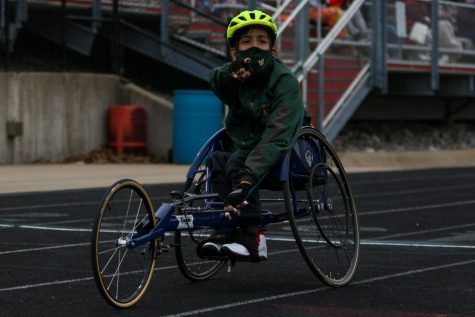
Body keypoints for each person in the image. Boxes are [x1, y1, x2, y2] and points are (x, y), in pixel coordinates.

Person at [200, 9, 307, 261]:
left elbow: (279, 133)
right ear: (235, 52)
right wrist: (231, 74)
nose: (254, 47)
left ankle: (253, 238)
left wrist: (248, 178)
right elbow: (216, 80)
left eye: (262, 41)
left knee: (238, 162)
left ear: (272, 51)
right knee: (217, 161)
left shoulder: (285, 81)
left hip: (280, 150)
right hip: (244, 145)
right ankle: (224, 230)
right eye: (246, 42)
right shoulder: (237, 76)